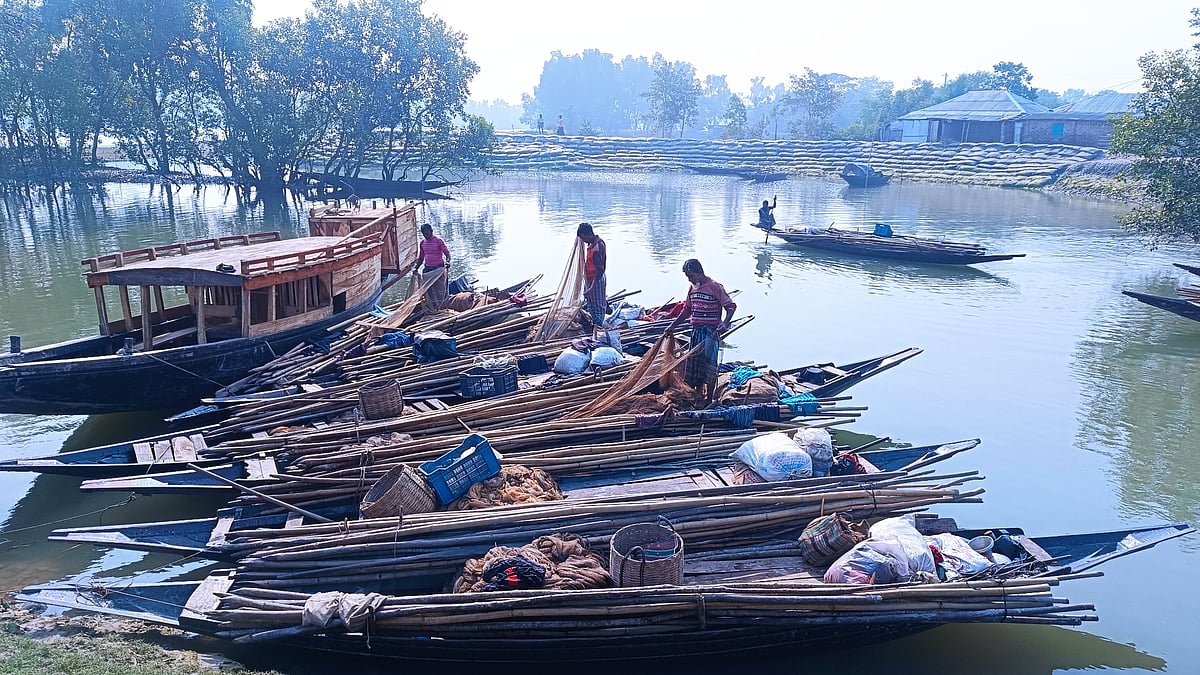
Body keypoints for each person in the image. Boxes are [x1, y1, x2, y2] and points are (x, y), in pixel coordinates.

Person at [666, 259, 737, 406]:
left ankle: (709, 399)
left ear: (699, 272)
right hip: (696, 332)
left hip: (710, 333)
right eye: (687, 277)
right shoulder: (692, 289)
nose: (689, 279)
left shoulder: (715, 287)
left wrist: (725, 322)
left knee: (709, 366)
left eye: (691, 276)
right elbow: (687, 310)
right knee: (693, 366)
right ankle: (697, 396)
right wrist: (672, 326)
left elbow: (730, 306)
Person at [577, 222, 607, 327]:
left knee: (598, 306)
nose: (583, 241)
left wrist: (591, 288)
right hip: (590, 278)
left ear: (587, 234)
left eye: (583, 238)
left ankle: (599, 327)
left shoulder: (597, 248)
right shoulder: (591, 244)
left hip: (596, 280)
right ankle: (593, 325)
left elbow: (600, 270)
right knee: (591, 304)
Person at [418, 223, 451, 310]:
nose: (426, 235)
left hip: (438, 269)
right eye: (424, 234)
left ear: (431, 231)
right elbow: (421, 258)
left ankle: (442, 306)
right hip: (428, 269)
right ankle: (433, 307)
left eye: (427, 233)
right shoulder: (422, 243)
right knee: (429, 290)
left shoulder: (438, 241)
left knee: (440, 290)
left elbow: (447, 254)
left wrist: (447, 262)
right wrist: (416, 268)